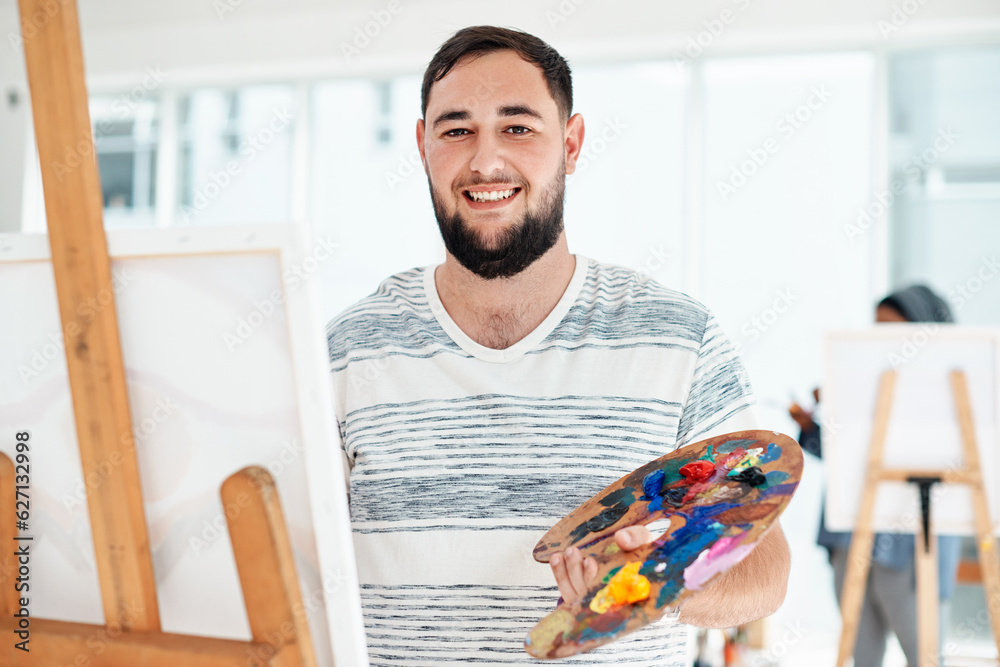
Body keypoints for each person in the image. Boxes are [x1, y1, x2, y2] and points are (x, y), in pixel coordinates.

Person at [327, 26, 790, 666]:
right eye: (456, 129)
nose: (485, 161)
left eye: (517, 127)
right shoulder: (348, 349)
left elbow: (765, 568)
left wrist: (649, 587)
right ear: (422, 144)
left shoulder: (679, 341)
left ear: (570, 143)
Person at [789, 285, 962, 667]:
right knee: (862, 653)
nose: (880, 341)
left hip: (914, 541)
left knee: (925, 654)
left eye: (893, 331)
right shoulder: (860, 382)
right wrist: (816, 424)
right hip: (850, 535)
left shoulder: (949, 394)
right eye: (876, 329)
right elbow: (847, 454)